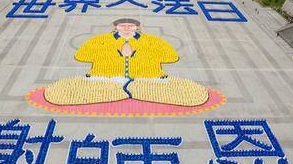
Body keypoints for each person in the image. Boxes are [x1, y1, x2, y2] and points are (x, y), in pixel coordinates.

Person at [43, 18, 209, 107]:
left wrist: (145, 54)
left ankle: (136, 90)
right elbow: (82, 55)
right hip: (104, 80)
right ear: (116, 27)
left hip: (148, 80)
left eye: (131, 26)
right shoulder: (100, 40)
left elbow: (171, 56)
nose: (127, 28)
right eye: (123, 26)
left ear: (137, 27)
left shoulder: (152, 41)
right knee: (63, 91)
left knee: (190, 92)